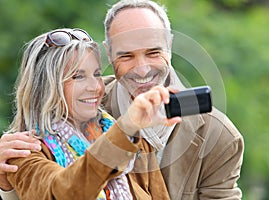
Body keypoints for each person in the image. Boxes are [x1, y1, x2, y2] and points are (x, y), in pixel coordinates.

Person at [1, 0, 244, 199]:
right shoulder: (93, 113)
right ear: (109, 53)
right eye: (126, 55)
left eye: (153, 52)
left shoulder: (220, 136)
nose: (141, 69)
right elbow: (57, 189)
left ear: (169, 45)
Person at [0, 27, 181, 200]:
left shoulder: (132, 142)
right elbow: (64, 193)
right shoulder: (23, 151)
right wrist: (126, 128)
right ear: (47, 86)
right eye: (78, 76)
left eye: (96, 74)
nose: (95, 87)